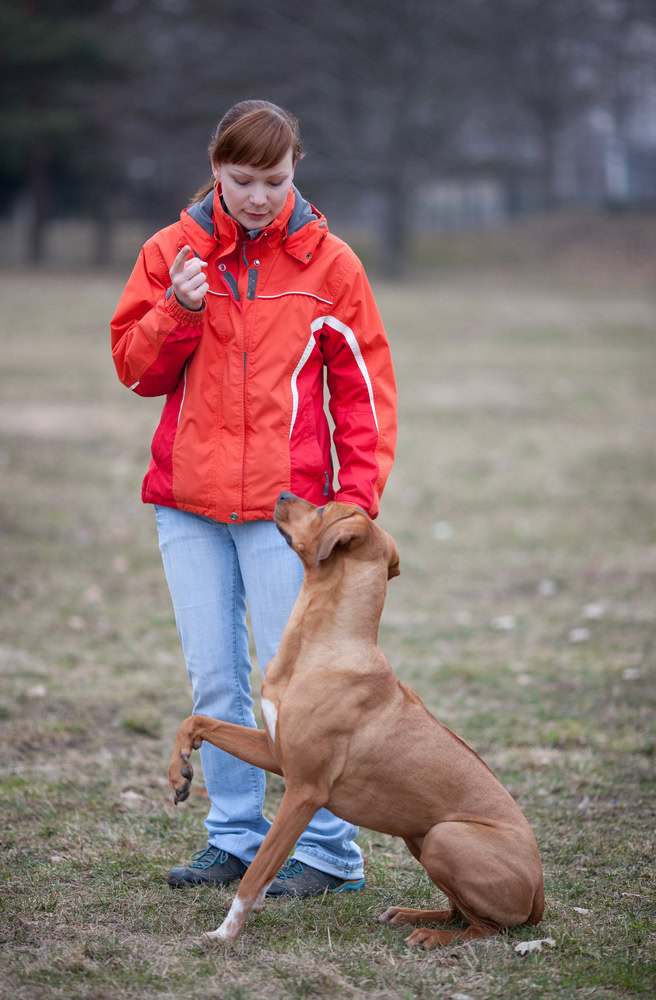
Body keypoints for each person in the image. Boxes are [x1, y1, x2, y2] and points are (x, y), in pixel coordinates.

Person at [110, 100, 397, 899]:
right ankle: (233, 840)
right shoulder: (170, 252)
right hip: (187, 507)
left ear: (295, 169)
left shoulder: (332, 265)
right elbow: (136, 372)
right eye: (243, 181)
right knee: (215, 681)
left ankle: (330, 854)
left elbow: (363, 393)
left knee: (303, 687)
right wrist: (180, 306)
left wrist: (352, 504)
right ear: (215, 171)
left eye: (274, 179)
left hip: (290, 519)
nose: (259, 196)